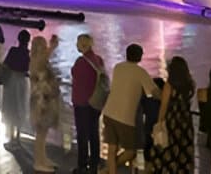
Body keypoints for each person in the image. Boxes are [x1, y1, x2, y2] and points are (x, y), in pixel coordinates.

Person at [102, 43, 158, 174]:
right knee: (131, 151)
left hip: (109, 112)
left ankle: (109, 170)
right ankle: (106, 170)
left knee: (112, 149)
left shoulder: (118, 67)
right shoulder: (140, 72)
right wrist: (167, 97)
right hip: (125, 117)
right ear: (139, 57)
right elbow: (154, 92)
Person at [151, 56, 195, 172]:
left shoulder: (169, 85)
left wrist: (159, 123)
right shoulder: (190, 85)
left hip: (172, 121)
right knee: (184, 151)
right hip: (185, 122)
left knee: (168, 151)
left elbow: (164, 106)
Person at [71, 33, 105, 174]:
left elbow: (74, 75)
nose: (76, 45)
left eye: (78, 43)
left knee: (82, 135)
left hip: (82, 103)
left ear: (83, 45)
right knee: (94, 133)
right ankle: (94, 163)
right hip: (96, 102)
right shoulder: (98, 60)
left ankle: (82, 165)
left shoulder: (81, 61)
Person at [29, 34, 61, 171]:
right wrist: (53, 47)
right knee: (41, 132)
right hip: (39, 100)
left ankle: (42, 158)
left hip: (44, 98)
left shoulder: (38, 61)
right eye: (43, 45)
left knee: (43, 132)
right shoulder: (37, 61)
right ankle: (38, 161)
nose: (45, 47)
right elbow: (44, 60)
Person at [1, 29, 31, 143]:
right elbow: (28, 69)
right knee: (20, 107)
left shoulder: (13, 51)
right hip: (22, 81)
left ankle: (11, 136)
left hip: (11, 80)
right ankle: (18, 135)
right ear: (28, 41)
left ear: (18, 39)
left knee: (10, 107)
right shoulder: (28, 54)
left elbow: (5, 64)